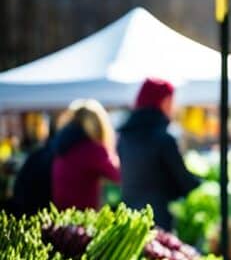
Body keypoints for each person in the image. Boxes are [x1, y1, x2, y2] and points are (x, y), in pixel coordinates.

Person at [118, 78, 199, 230]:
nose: (174, 107)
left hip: (129, 215)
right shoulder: (164, 137)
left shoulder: (125, 135)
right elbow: (183, 179)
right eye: (171, 101)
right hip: (159, 218)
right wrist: (200, 184)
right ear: (163, 102)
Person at [51, 99, 121, 210]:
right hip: (83, 217)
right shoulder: (92, 150)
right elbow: (120, 175)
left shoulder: (63, 145)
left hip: (62, 215)